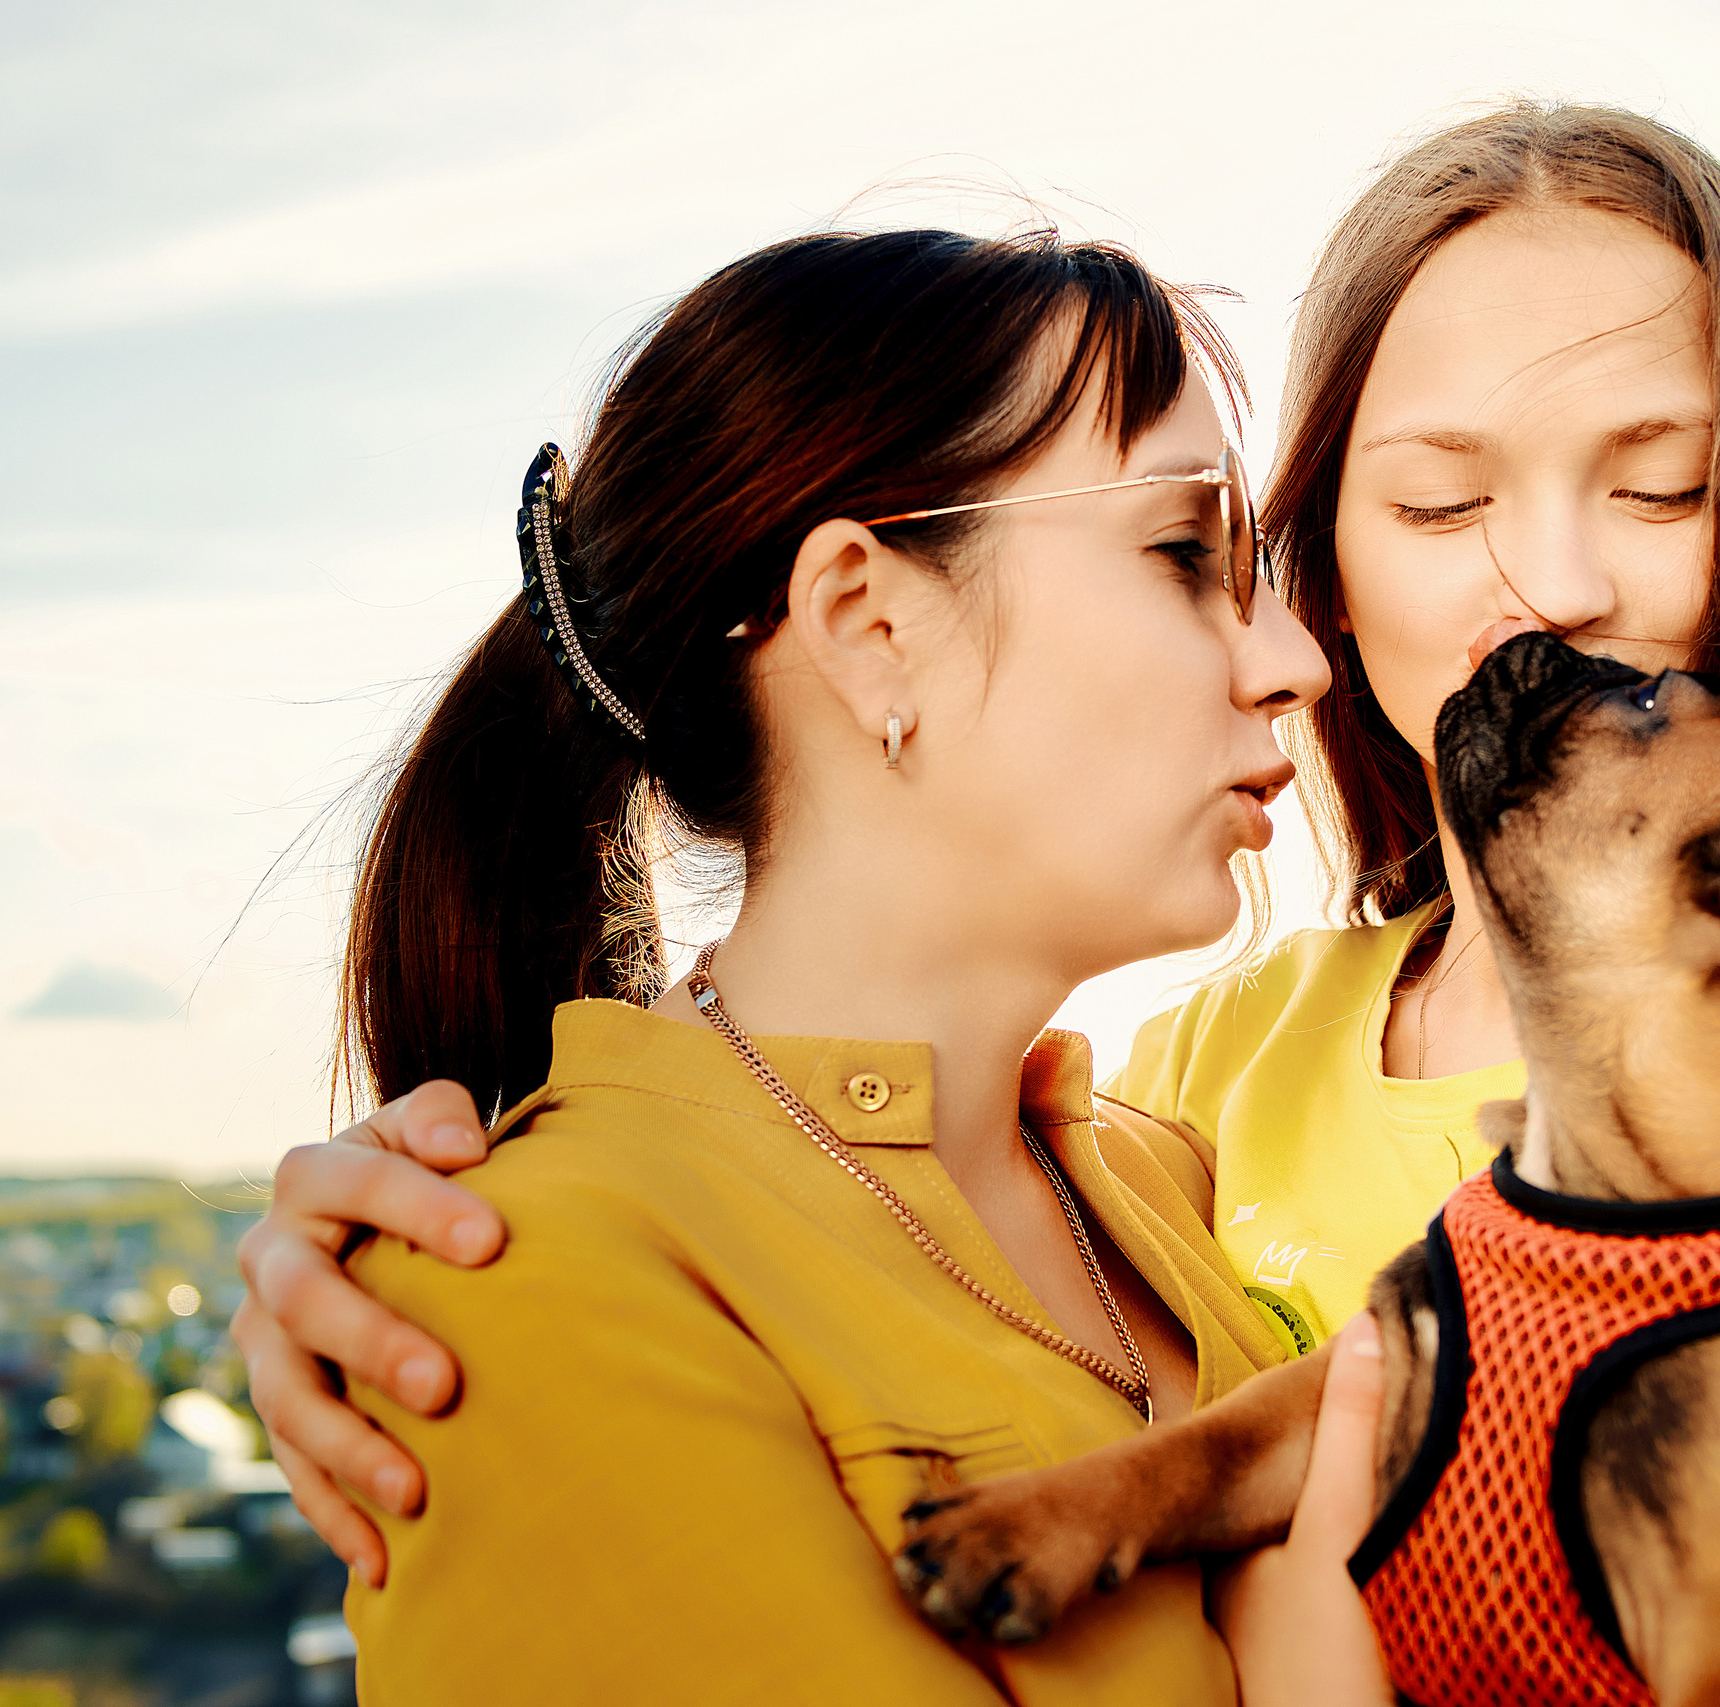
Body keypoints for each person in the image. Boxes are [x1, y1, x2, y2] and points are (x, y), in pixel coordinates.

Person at [233, 107, 1720, 1706]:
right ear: (867, 622)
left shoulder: (1156, 1171)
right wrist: (467, 1261)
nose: (1547, 583)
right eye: (1426, 499)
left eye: (1660, 484)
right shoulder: (1184, 1091)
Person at [273, 223, 1372, 1703]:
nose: (1295, 661)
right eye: (1185, 554)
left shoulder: (1178, 1179)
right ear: (868, 624)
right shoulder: (516, 1297)